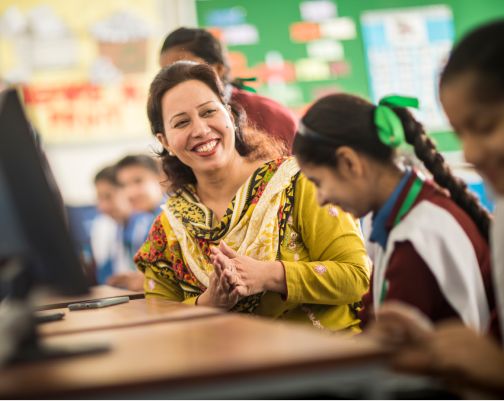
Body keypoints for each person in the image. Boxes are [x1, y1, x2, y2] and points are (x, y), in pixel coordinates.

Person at [134, 61, 370, 334]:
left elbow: (357, 277)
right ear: (165, 143)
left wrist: (268, 275)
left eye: (209, 111)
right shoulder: (168, 229)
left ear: (231, 116)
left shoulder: (298, 183)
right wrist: (209, 301)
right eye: (182, 122)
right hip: (232, 373)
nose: (200, 130)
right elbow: (157, 321)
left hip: (329, 364)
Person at [359, 20, 504, 397]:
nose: (469, 153)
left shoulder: (418, 229)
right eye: (460, 133)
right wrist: (436, 345)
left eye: (485, 126)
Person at [292, 93, 494, 332]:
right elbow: (374, 311)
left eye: (318, 182)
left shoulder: (414, 239)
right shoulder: (395, 213)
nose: (320, 199)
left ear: (349, 162)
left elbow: (390, 343)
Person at [160, 27, 298, 150]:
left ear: (219, 68)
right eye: (168, 73)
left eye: (186, 69)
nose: (176, 81)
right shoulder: (170, 123)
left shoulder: (270, 114)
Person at [91, 165, 152, 290]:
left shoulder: (148, 224)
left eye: (108, 196)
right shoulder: (119, 227)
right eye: (99, 198)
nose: (101, 207)